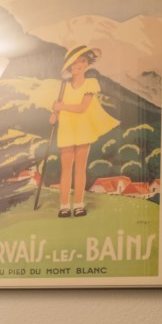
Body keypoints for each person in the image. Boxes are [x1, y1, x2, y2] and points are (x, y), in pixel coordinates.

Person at [50, 45, 120, 218]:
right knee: (66, 168)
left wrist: (61, 107)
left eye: (82, 61)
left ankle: (79, 203)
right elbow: (56, 107)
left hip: (82, 129)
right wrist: (54, 113)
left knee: (80, 168)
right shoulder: (63, 87)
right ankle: (64, 205)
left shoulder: (91, 84)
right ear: (69, 67)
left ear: (87, 64)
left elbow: (82, 108)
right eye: (75, 63)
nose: (79, 65)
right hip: (66, 128)